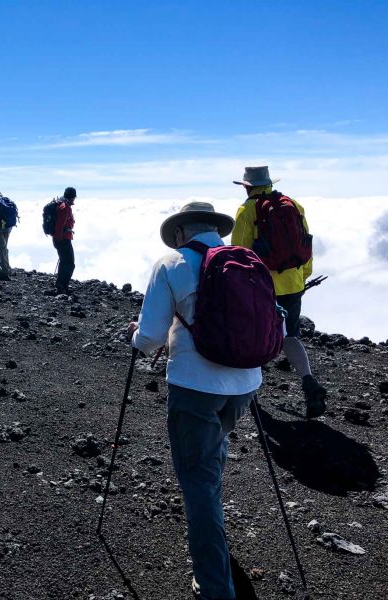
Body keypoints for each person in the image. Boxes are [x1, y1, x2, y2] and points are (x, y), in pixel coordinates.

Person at [128, 202, 261, 600]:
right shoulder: (248, 261)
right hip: (246, 382)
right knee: (211, 456)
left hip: (196, 385)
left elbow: (149, 338)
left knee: (198, 482)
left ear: (181, 232)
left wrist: (134, 335)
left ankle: (215, 587)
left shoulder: (171, 263)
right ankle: (213, 529)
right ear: (215, 229)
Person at [231, 166, 327, 419]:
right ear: (270, 183)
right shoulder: (293, 205)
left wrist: (238, 286)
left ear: (246, 186)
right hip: (293, 283)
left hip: (262, 286)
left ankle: (249, 391)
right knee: (290, 335)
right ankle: (309, 382)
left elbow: (240, 252)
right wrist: (302, 277)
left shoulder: (248, 210)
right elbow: (306, 243)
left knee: (255, 335)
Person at [52, 186, 77, 294]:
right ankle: (62, 284)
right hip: (63, 239)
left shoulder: (61, 203)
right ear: (72, 197)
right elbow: (60, 224)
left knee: (64, 261)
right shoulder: (65, 207)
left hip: (60, 238)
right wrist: (59, 238)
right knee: (70, 263)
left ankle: (62, 285)